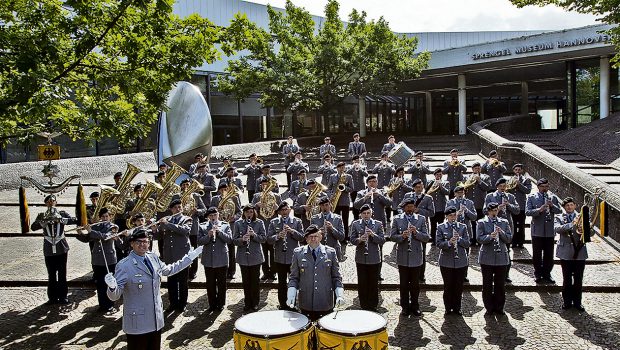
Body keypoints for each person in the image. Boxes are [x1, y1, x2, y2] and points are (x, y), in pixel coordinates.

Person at [105, 229, 203, 350]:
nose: (143, 244)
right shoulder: (124, 265)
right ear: (131, 244)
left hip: (155, 320)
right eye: (138, 242)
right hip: (137, 323)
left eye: (145, 241)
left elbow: (169, 270)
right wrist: (112, 287)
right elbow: (114, 296)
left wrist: (189, 258)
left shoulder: (153, 257)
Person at [287, 225, 344, 321]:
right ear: (306, 239)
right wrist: (291, 294)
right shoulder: (298, 253)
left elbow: (336, 277)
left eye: (316, 236)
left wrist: (339, 295)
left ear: (321, 237)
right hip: (306, 302)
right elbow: (294, 278)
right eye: (310, 237)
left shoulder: (330, 252)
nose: (313, 239)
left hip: (325, 300)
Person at [31, 194, 78, 305]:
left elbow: (74, 220)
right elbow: (33, 227)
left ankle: (63, 297)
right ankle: (52, 297)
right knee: (51, 274)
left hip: (61, 247)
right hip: (48, 248)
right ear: (46, 203)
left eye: (53, 201)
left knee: (62, 273)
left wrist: (61, 220)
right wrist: (44, 222)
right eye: (49, 201)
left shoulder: (61, 213)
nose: (51, 203)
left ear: (56, 202)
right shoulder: (42, 215)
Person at [390, 198, 429, 316]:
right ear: (404, 208)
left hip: (416, 256)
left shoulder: (421, 219)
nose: (410, 209)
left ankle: (415, 306)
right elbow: (392, 237)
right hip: (403, 256)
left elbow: (426, 237)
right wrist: (402, 236)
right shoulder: (397, 219)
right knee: (404, 284)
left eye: (412, 206)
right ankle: (405, 307)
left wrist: (416, 233)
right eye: (407, 207)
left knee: (415, 284)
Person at [152, 199, 192, 312]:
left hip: (182, 255)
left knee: (183, 281)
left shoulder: (187, 219)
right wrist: (155, 230)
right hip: (169, 255)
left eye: (180, 207)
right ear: (171, 209)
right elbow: (158, 237)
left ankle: (182, 303)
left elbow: (184, 231)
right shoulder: (166, 220)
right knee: (172, 281)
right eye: (175, 208)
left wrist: (168, 224)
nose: (178, 209)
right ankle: (173, 303)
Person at [554, 197, 592, 312]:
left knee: (578, 278)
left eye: (571, 205)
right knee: (567, 278)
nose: (569, 207)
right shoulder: (559, 217)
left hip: (579, 251)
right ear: (564, 207)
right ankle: (566, 302)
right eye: (567, 206)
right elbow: (557, 228)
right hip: (565, 252)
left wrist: (586, 227)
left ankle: (577, 302)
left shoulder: (583, 217)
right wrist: (572, 224)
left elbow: (592, 232)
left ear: (575, 206)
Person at [267, 202, 305, 310]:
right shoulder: (274, 222)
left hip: (293, 258)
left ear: (290, 210)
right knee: (281, 283)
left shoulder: (297, 221)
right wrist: (278, 236)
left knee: (293, 282)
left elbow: (302, 237)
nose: (284, 212)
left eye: (286, 209)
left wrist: (292, 231)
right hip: (280, 257)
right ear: (279, 212)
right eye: (282, 210)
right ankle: (283, 304)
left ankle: (293, 303)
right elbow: (269, 239)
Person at [195, 207, 232, 313]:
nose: (213, 217)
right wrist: (208, 235)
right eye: (211, 216)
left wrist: (219, 232)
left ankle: (220, 303)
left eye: (215, 215)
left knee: (221, 283)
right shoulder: (202, 226)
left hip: (222, 259)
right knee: (210, 284)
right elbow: (199, 241)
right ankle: (212, 303)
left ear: (218, 215)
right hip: (208, 260)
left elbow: (229, 240)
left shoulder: (225, 225)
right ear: (208, 217)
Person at [477, 202, 512, 316]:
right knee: (487, 284)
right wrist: (489, 236)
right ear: (488, 211)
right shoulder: (482, 222)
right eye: (492, 210)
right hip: (487, 257)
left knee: (500, 284)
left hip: (501, 256)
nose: (494, 212)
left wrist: (501, 232)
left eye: (496, 210)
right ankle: (489, 307)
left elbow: (508, 239)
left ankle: (499, 307)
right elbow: (479, 238)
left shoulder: (504, 222)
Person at [526, 178, 562, 284]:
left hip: (550, 231)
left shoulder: (553, 198)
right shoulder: (532, 197)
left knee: (549, 254)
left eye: (546, 186)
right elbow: (527, 212)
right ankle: (538, 274)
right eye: (542, 187)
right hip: (537, 230)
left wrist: (552, 206)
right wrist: (539, 210)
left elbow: (559, 210)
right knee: (537, 254)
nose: (545, 189)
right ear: (538, 187)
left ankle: (547, 274)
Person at [350, 204, 385, 311]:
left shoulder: (378, 224)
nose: (366, 215)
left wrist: (373, 235)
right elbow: (352, 239)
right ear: (360, 214)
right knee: (362, 282)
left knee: (373, 282)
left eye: (368, 213)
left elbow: (383, 240)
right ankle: (364, 304)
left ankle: (373, 305)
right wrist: (360, 239)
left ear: (371, 213)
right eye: (364, 213)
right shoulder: (355, 224)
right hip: (361, 258)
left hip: (374, 257)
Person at [83, 207, 119, 313]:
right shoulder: (96, 227)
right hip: (97, 259)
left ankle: (111, 305)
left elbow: (105, 237)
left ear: (110, 217)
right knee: (100, 283)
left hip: (109, 259)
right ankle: (102, 305)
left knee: (110, 283)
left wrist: (91, 231)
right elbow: (87, 239)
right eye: (102, 217)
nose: (104, 218)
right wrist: (81, 232)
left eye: (106, 216)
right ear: (100, 218)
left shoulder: (113, 227)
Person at [484, 178, 519, 283]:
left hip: (505, 226)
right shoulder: (490, 196)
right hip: (491, 226)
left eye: (504, 186)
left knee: (506, 251)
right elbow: (485, 210)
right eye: (501, 186)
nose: (503, 188)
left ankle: (505, 274)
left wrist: (508, 205)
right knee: (491, 249)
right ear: (497, 186)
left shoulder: (511, 197)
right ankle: (492, 273)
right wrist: (497, 208)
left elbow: (517, 210)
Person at [436, 206, 469, 315]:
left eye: (454, 215)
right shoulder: (441, 227)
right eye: (450, 215)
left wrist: (459, 239)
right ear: (446, 216)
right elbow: (439, 244)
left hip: (460, 261)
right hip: (446, 261)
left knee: (458, 286)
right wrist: (449, 242)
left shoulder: (463, 227)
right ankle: (448, 307)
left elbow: (467, 243)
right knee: (448, 286)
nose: (453, 217)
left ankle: (457, 307)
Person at [233, 204, 267, 312]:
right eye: (247, 212)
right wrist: (242, 239)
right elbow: (234, 240)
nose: (249, 214)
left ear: (254, 213)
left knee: (255, 281)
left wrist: (254, 235)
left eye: (251, 212)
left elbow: (264, 239)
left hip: (255, 256)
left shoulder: (259, 223)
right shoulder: (238, 223)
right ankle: (247, 303)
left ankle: (255, 303)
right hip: (243, 256)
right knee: (246, 281)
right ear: (244, 213)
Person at [402, 178, 435, 282]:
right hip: (407, 225)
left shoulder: (428, 198)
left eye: (420, 187)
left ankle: (421, 274)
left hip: (421, 227)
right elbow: (400, 207)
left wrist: (419, 210)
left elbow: (432, 213)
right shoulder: (407, 196)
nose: (418, 189)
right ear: (413, 188)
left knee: (422, 251)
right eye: (416, 187)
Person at [252, 178, 282, 280]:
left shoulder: (277, 196)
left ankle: (273, 272)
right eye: (263, 185)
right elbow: (250, 211)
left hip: (273, 227)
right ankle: (265, 272)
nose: (265, 186)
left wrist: (277, 208)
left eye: (267, 184)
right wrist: (256, 206)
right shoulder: (256, 196)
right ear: (260, 186)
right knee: (263, 251)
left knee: (273, 252)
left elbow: (283, 212)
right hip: (261, 227)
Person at [445, 185, 477, 283]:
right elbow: (446, 216)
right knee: (452, 252)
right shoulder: (450, 202)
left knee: (465, 254)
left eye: (462, 192)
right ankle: (452, 272)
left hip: (465, 232)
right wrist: (457, 214)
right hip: (453, 231)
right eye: (458, 192)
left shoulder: (469, 203)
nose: (460, 194)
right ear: (454, 193)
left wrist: (467, 211)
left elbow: (474, 217)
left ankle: (464, 274)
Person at [211, 183, 242, 279]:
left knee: (231, 249)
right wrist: (218, 213)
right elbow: (211, 211)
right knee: (219, 249)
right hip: (218, 226)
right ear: (219, 190)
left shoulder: (234, 198)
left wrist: (235, 217)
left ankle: (231, 271)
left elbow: (239, 211)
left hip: (230, 226)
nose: (224, 191)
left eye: (226, 189)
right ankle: (221, 270)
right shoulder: (215, 199)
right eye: (222, 189)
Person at [310, 197, 346, 262]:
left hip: (333, 250)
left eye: (326, 205)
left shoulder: (337, 218)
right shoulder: (314, 218)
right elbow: (309, 237)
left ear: (330, 205)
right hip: (318, 250)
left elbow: (342, 237)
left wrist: (332, 228)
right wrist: (318, 233)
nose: (325, 207)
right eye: (322, 205)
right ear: (320, 206)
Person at [465, 162, 491, 245]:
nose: (477, 169)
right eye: (475, 168)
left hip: (480, 202)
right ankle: (472, 239)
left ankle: (480, 239)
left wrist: (479, 181)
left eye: (478, 168)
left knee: (480, 222)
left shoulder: (486, 177)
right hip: (470, 203)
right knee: (471, 222)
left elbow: (487, 187)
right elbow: (463, 188)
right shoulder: (467, 177)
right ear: (472, 169)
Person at [327, 162, 354, 240]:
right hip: (335, 202)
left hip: (345, 201)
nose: (341, 169)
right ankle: (336, 237)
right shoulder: (332, 177)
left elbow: (352, 189)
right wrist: (330, 195)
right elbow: (328, 188)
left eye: (343, 167)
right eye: (340, 167)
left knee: (345, 220)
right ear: (337, 168)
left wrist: (344, 187)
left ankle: (345, 237)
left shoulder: (348, 177)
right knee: (336, 220)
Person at [508, 164, 532, 248]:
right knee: (513, 224)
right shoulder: (510, 179)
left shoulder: (526, 180)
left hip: (521, 206)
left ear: (521, 170)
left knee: (521, 225)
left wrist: (519, 184)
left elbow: (528, 191)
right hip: (513, 206)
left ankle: (521, 242)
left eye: (519, 170)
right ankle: (514, 242)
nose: (517, 171)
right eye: (516, 170)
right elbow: (508, 190)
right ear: (514, 171)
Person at [426, 168, 450, 244]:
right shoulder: (430, 182)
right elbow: (427, 192)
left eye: (440, 174)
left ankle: (440, 238)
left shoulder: (446, 183)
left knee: (441, 224)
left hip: (441, 207)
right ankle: (433, 239)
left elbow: (447, 192)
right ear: (434, 175)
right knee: (433, 224)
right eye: (437, 174)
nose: (439, 176)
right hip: (432, 207)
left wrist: (440, 186)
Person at [347, 155, 368, 221]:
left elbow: (366, 174)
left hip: (361, 188)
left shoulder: (363, 167)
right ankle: (355, 216)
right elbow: (347, 174)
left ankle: (362, 215)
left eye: (358, 160)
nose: (357, 162)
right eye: (355, 160)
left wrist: (360, 169)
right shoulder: (349, 167)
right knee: (354, 203)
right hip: (353, 188)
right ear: (353, 161)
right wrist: (353, 168)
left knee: (362, 202)